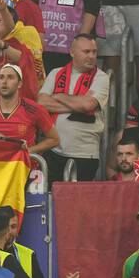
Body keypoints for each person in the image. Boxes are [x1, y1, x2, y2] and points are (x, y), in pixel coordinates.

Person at [39, 33, 111, 181]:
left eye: (94, 52)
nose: (91, 56)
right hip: (53, 151)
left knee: (77, 202)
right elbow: (41, 103)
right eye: (86, 52)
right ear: (72, 52)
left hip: (85, 154)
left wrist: (58, 96)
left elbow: (87, 104)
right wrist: (76, 104)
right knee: (51, 199)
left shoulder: (101, 77)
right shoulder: (56, 73)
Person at [0, 64, 59, 157]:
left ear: (20, 84)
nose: (4, 82)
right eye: (1, 77)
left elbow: (55, 139)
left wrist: (28, 151)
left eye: (10, 77)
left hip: (23, 166)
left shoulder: (34, 109)